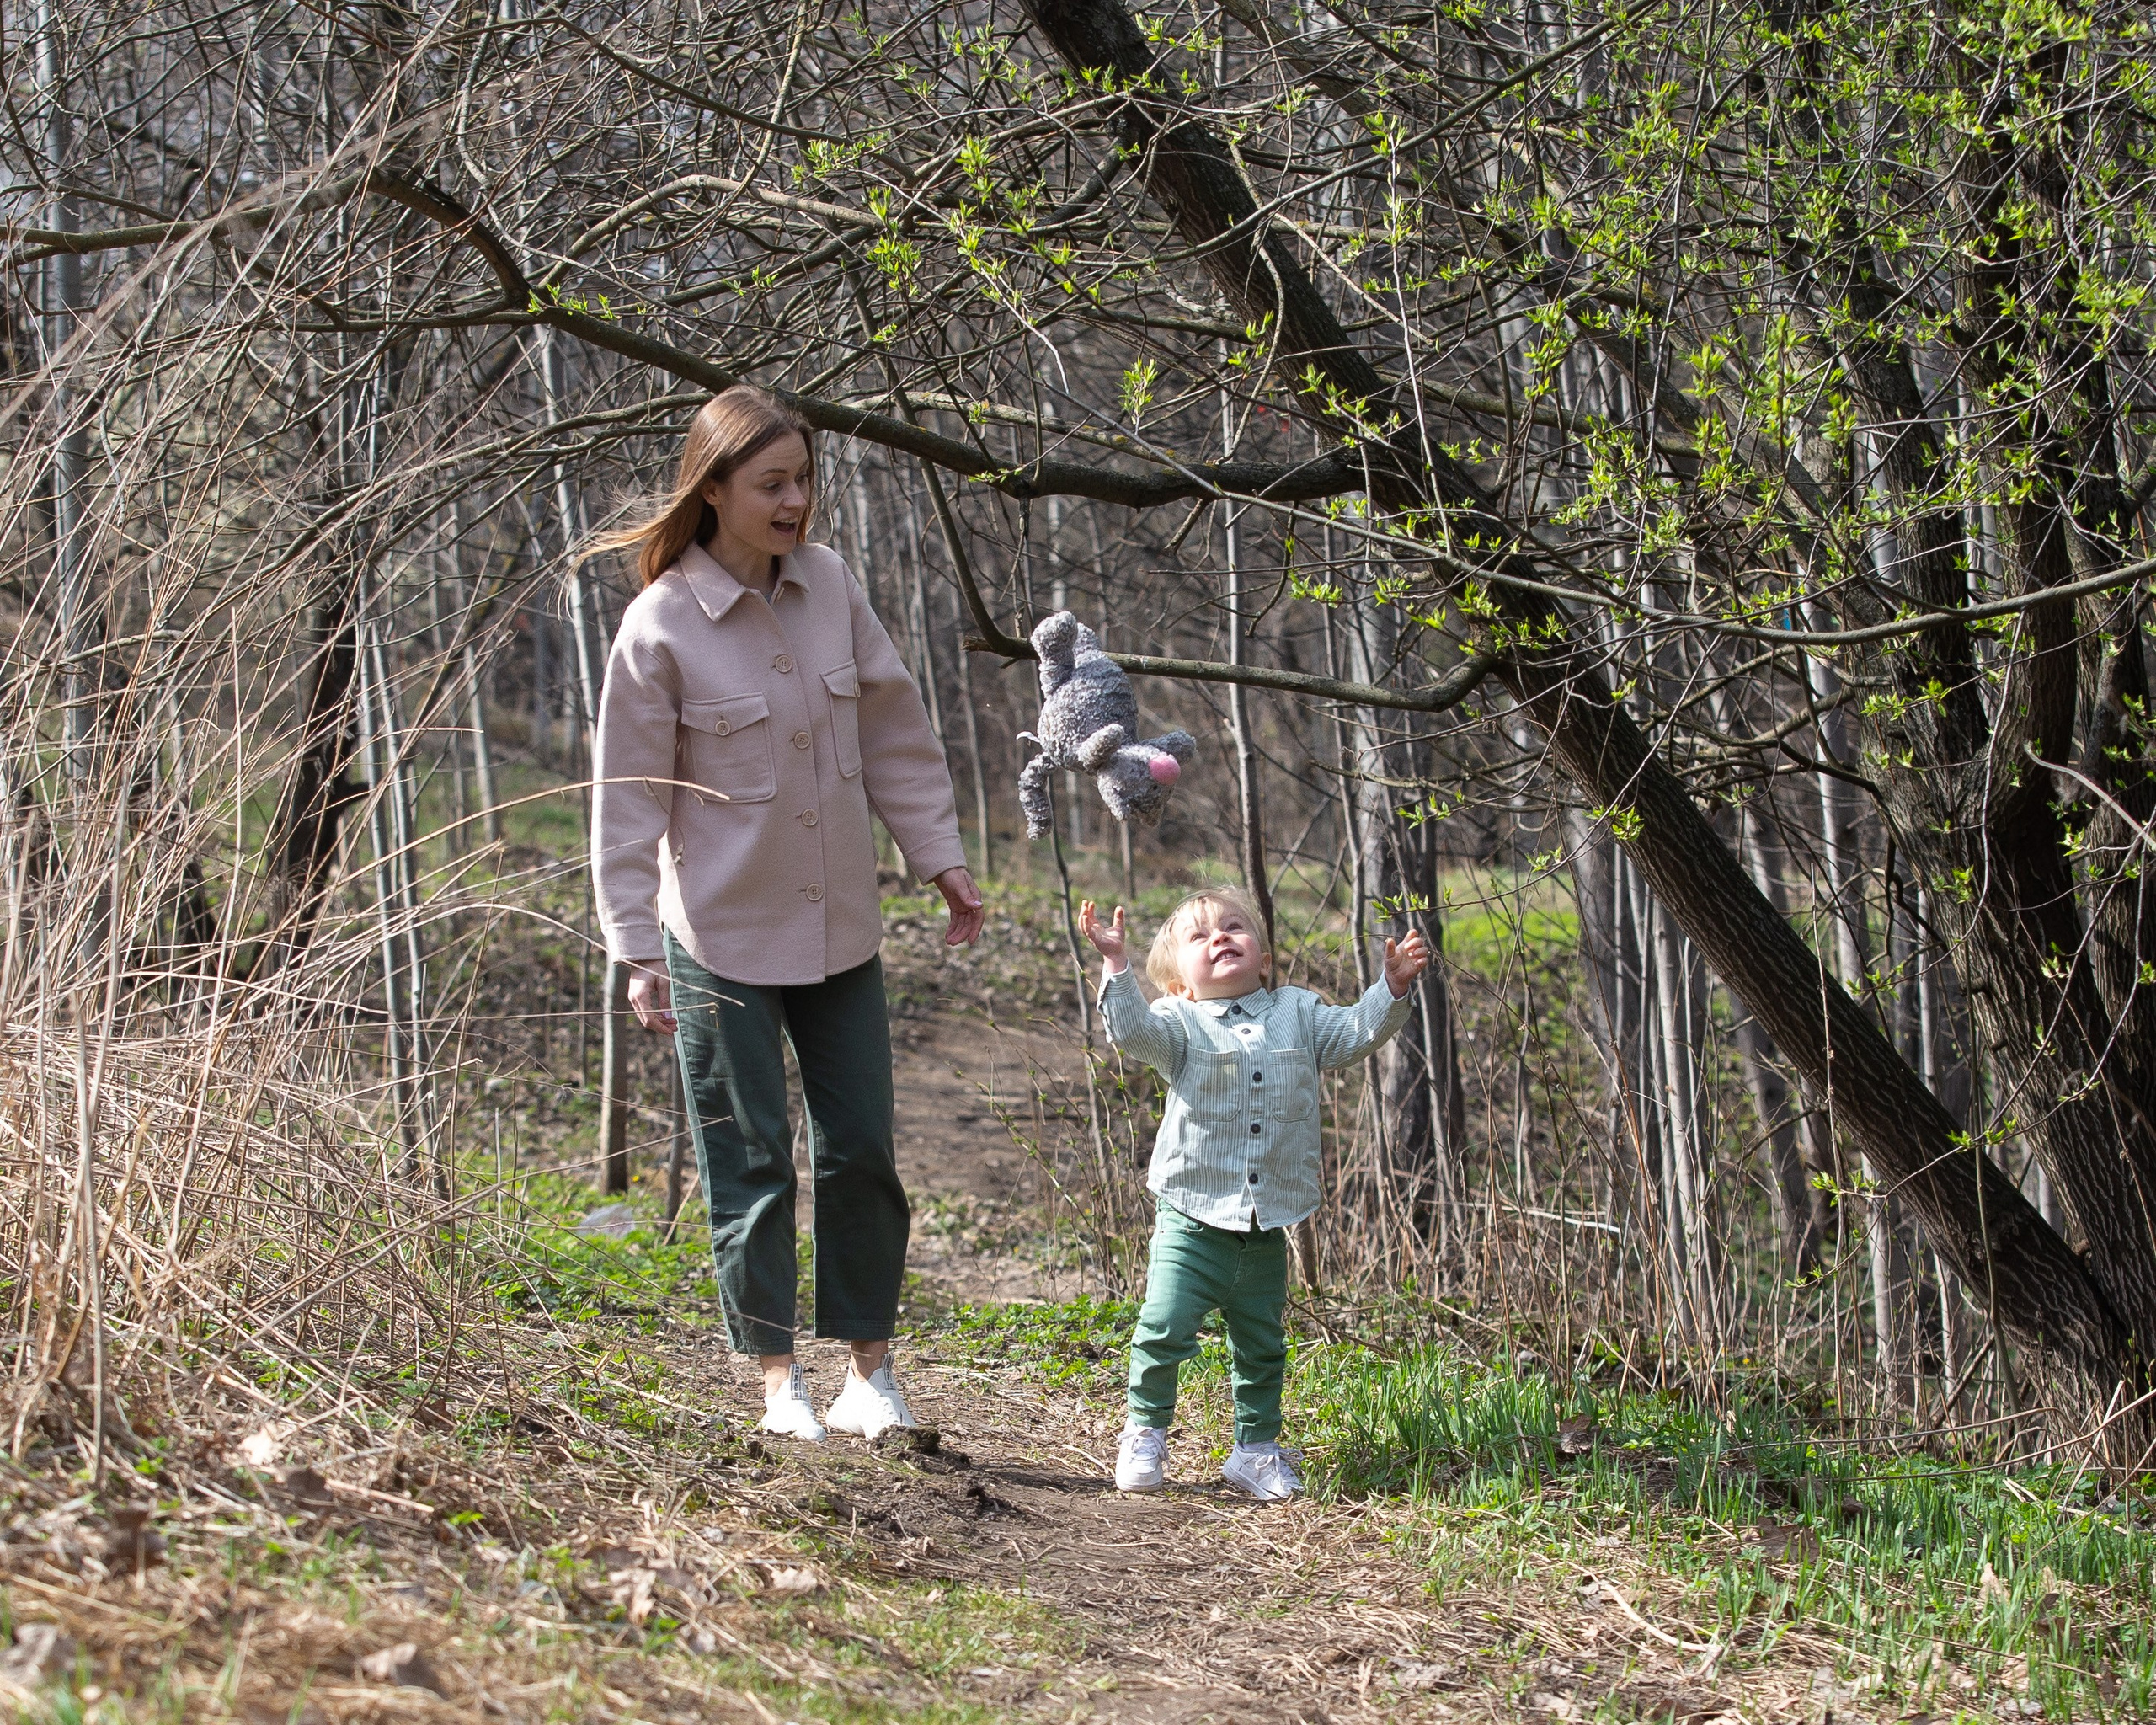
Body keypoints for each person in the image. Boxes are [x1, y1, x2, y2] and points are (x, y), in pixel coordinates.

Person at [591, 384, 984, 1444]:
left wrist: (936, 856)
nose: (795, 502)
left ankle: (869, 1370)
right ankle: (777, 1382)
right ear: (711, 489)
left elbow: (896, 731)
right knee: (752, 1156)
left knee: (862, 1149)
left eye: (804, 480)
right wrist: (636, 949)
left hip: (842, 927)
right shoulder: (660, 625)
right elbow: (625, 800)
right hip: (718, 939)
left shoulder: (832, 586)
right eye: (772, 483)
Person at [1078, 887, 1430, 1499]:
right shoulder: (1177, 1023)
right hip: (1191, 1217)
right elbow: (1131, 1036)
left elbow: (1354, 1034)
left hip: (1268, 1224)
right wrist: (1116, 964)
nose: (1221, 938)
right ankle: (1145, 1433)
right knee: (1163, 1330)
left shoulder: (1300, 1012)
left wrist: (1390, 989)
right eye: (1200, 936)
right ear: (1180, 982)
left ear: (1263, 958)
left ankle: (1255, 1450)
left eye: (1235, 928)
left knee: (1262, 1345)